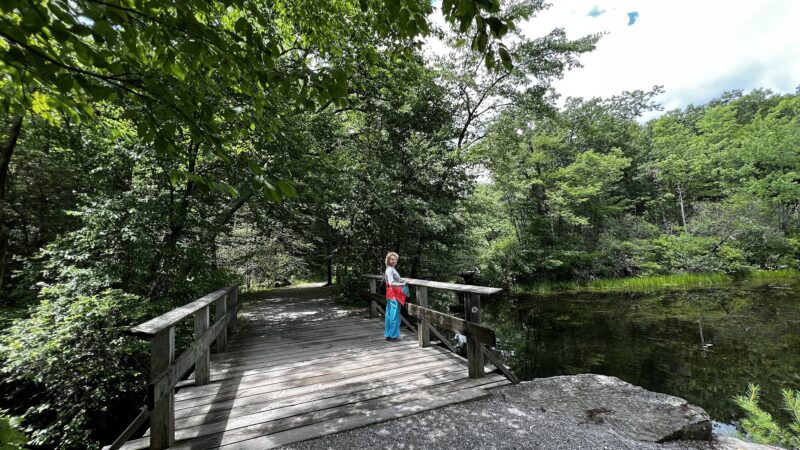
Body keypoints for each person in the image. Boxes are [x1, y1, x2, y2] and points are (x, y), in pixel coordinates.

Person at [384, 251, 407, 342]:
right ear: (388, 260)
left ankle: (388, 335)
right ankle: (394, 336)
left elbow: (393, 280)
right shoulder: (390, 269)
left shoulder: (390, 268)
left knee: (389, 315)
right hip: (394, 295)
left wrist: (400, 280)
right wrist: (402, 284)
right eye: (392, 259)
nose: (394, 261)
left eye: (395, 259)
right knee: (394, 316)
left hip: (390, 294)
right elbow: (391, 283)